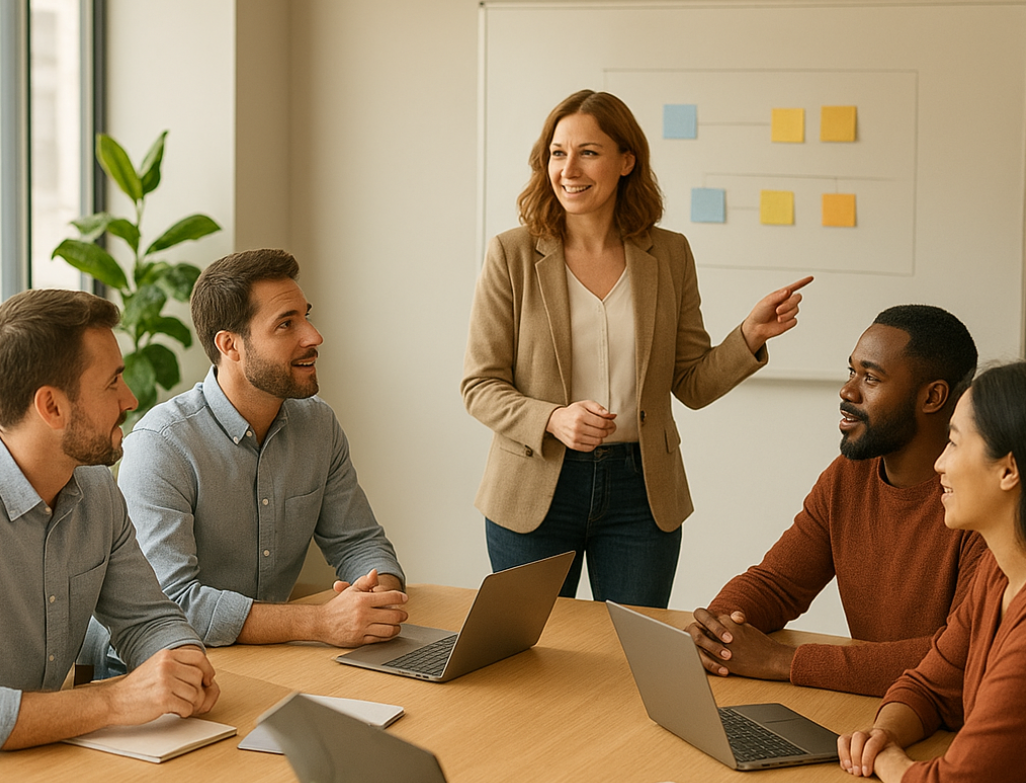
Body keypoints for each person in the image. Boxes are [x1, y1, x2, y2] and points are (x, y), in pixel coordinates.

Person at [461, 89, 811, 608]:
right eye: (558, 152)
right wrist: (554, 418)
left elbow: (690, 384)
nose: (569, 168)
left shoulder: (669, 254)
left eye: (589, 152)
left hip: (641, 492)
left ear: (626, 161)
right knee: (530, 657)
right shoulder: (511, 253)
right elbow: (479, 386)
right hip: (535, 485)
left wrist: (749, 337)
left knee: (628, 658)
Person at [809, 360, 1026, 783]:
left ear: (1009, 469)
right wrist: (884, 732)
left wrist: (886, 761)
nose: (938, 463)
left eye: (955, 442)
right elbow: (929, 683)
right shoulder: (997, 579)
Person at [687, 305, 985, 696]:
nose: (847, 391)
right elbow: (778, 584)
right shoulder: (848, 476)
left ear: (932, 397)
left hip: (945, 726)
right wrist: (717, 631)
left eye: (871, 378)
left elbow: (961, 657)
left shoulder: (983, 500)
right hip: (873, 708)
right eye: (851, 371)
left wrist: (782, 661)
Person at [116, 248, 408, 648]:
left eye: (306, 315)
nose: (314, 336)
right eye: (286, 324)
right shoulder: (161, 446)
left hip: (273, 657)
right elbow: (173, 604)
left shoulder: (319, 425)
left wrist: (376, 598)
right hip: (174, 667)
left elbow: (360, 543)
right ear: (230, 345)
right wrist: (319, 622)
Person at [0, 289, 218, 750]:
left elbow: (147, 618)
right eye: (112, 382)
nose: (131, 398)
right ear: (52, 407)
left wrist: (180, 661)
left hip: (45, 761)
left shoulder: (97, 489)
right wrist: (115, 702)